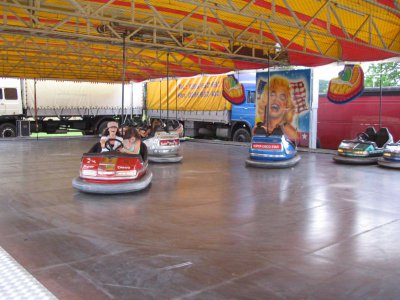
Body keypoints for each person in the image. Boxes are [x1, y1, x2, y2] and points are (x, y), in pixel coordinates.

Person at [256, 76, 298, 142]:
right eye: (272, 94)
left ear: (287, 104)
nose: (276, 100)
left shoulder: (291, 133)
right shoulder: (257, 129)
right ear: (265, 99)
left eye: (282, 97)